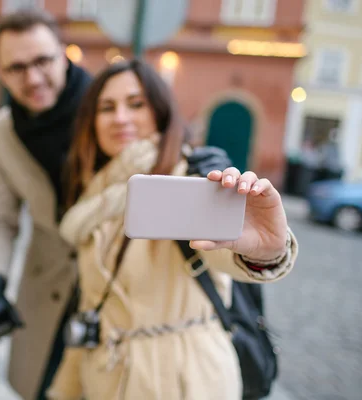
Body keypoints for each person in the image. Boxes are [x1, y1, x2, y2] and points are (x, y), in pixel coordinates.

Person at [0, 9, 234, 400]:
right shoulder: (0, 134)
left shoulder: (107, 109)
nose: (33, 78)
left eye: (42, 61)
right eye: (17, 67)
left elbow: (158, 152)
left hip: (124, 291)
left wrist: (208, 186)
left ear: (64, 53)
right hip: (48, 288)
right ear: (1, 73)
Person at [45, 59, 299, 399]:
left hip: (186, 380)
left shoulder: (190, 181)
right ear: (92, 121)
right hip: (105, 378)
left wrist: (266, 252)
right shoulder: (93, 193)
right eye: (107, 108)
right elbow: (92, 307)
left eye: (136, 104)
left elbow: (223, 254)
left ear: (161, 112)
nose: (120, 117)